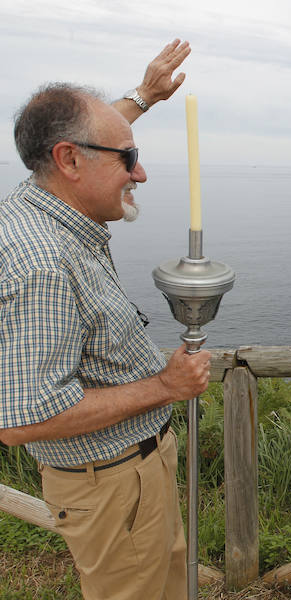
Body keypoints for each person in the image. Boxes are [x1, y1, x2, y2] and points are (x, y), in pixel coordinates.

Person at [0, 40, 207, 600]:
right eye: (128, 159)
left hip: (132, 474)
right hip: (115, 485)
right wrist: (165, 386)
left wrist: (143, 96)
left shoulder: (44, 200)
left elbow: (91, 139)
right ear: (69, 161)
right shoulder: (44, 262)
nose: (138, 174)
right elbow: (23, 418)